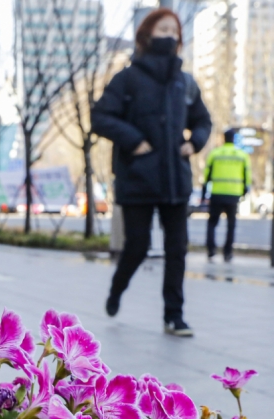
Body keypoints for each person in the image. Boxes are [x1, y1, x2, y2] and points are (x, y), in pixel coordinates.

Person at [91, 8, 212, 337]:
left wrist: (195, 142)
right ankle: (117, 289)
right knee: (138, 245)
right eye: (163, 29)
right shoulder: (127, 78)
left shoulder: (184, 83)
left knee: (177, 249)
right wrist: (134, 141)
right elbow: (101, 117)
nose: (170, 35)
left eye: (174, 31)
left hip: (175, 178)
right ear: (146, 35)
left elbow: (203, 120)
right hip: (138, 177)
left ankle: (174, 315)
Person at [202, 128, 252, 263]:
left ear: (223, 138)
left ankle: (211, 250)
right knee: (231, 225)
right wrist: (244, 191)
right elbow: (247, 176)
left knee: (212, 223)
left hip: (217, 193)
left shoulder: (215, 153)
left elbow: (207, 175)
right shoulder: (242, 155)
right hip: (233, 194)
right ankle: (227, 253)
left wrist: (203, 193)